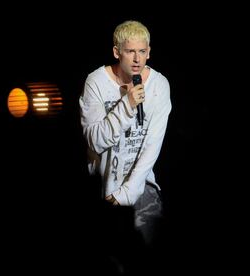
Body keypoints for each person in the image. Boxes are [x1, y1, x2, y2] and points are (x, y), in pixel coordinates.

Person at [79, 20, 171, 246]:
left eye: (142, 51)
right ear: (116, 52)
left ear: (149, 52)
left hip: (140, 186)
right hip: (102, 186)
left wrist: (125, 195)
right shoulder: (97, 82)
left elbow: (152, 146)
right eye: (130, 51)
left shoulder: (159, 85)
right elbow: (96, 141)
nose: (137, 59)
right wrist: (127, 105)